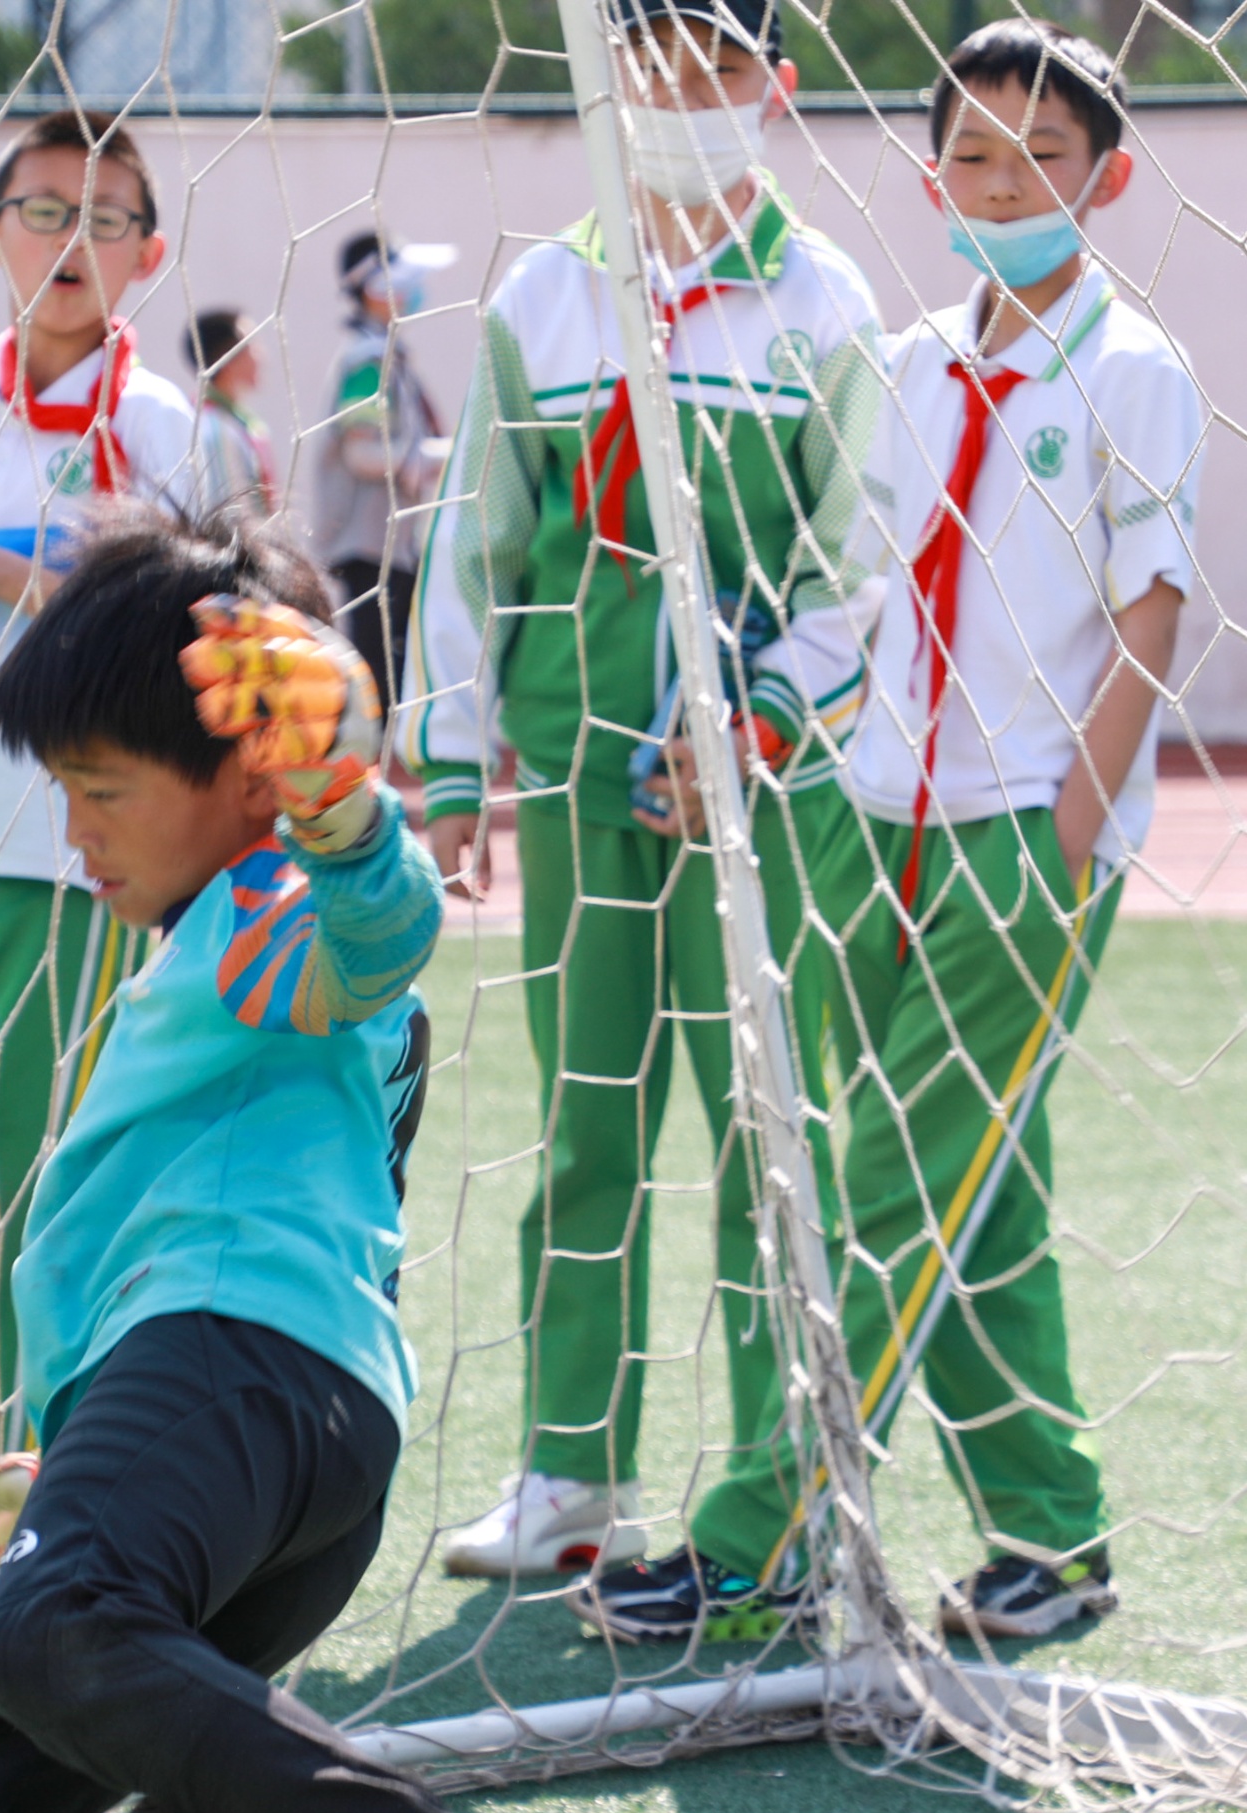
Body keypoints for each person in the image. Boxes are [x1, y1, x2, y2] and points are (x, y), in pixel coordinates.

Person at [0, 507, 703, 1813]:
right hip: (272, 1451)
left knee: (44, 1632)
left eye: (102, 790)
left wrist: (349, 807)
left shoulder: (278, 902)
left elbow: (381, 928)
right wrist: (71, 1454)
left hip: (229, 1367)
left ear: (254, 769)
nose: (72, 834)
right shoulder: (226, 944)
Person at [576, 18, 1195, 1644]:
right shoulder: (914, 363)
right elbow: (862, 582)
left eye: (1040, 156)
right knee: (970, 1186)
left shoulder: (1132, 369)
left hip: (1019, 833)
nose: (1003, 184)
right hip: (876, 807)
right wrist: (799, 735)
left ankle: (759, 1531)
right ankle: (1054, 1538)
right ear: (932, 176)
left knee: (896, 1183)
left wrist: (1078, 818)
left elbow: (1152, 605)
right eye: (973, 156)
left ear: (1105, 176)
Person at [404, 0, 883, 1592]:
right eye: (653, 65)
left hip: (756, 810)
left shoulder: (822, 306)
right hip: (583, 802)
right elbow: (480, 540)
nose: (683, 95)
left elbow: (855, 566)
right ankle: (569, 1472)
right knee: (584, 1130)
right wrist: (458, 759)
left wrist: (754, 720)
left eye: (719, 68)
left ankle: (778, 1481)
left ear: (777, 86)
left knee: (768, 1140)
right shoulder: (547, 296)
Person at [0, 110, 212, 1533]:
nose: (71, 238)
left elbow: (178, 606)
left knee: (13, 1176)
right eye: (42, 207)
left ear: (150, 253)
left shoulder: (165, 425)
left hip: (69, 860)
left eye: (106, 217)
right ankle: (43, 1437)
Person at [312, 230, 450, 706]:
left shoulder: (388, 357)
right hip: (370, 545)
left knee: (394, 668)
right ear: (375, 290)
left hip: (391, 543)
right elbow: (363, 454)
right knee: (376, 672)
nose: (414, 293)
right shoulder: (367, 362)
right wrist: (437, 457)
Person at [186, 305, 282, 524]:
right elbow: (233, 518)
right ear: (226, 358)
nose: (261, 356)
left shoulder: (233, 420)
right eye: (251, 346)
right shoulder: (214, 428)